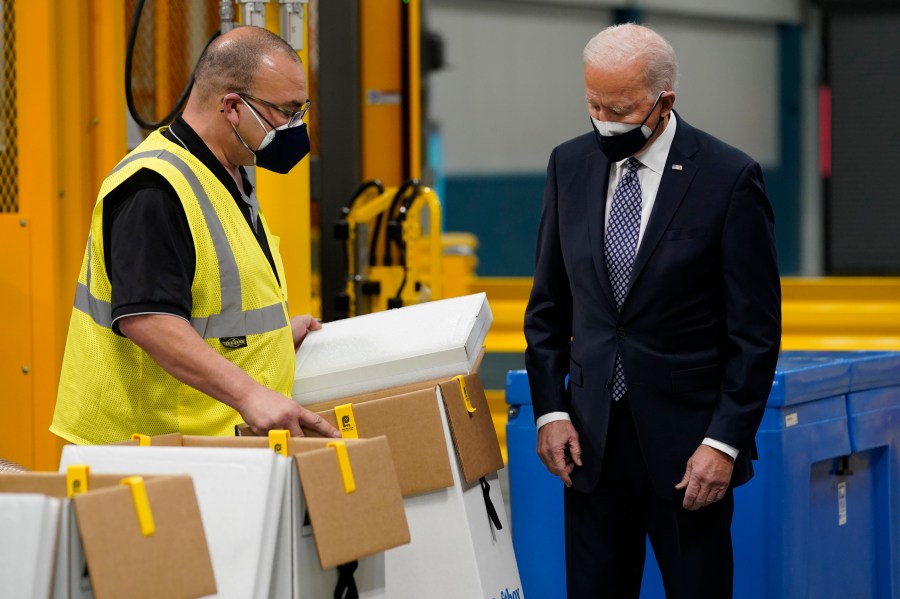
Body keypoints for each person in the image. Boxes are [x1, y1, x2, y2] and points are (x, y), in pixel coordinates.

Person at [524, 23, 781, 598]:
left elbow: (756, 334)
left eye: (619, 107)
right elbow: (548, 310)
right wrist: (550, 412)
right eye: (593, 104)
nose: (603, 119)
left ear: (664, 101)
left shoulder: (728, 178)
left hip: (689, 456)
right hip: (590, 446)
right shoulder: (569, 165)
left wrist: (723, 443)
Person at [51, 26, 339, 445]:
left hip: (202, 445)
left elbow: (214, 300)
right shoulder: (155, 186)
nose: (296, 127)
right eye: (286, 112)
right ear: (233, 107)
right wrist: (250, 393)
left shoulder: (227, 172)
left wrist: (273, 338)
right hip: (147, 450)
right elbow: (149, 319)